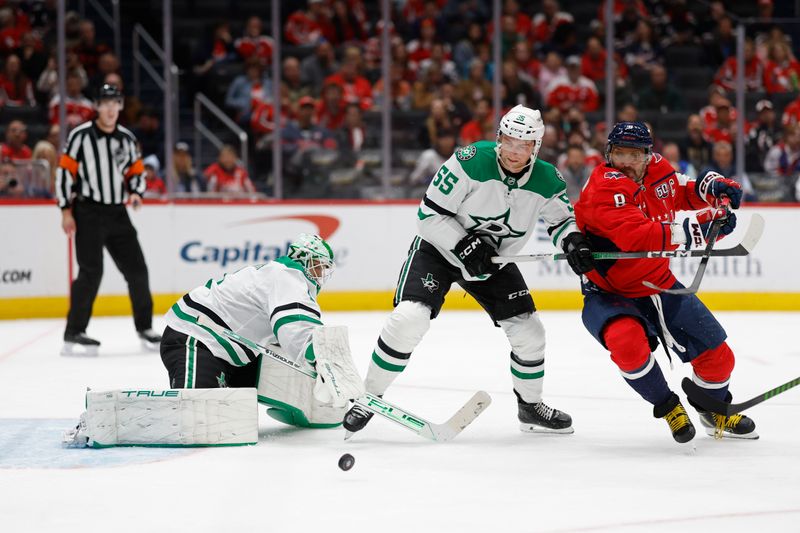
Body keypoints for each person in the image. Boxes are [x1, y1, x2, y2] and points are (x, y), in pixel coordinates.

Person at [343, 105, 596, 437]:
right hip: (440, 250)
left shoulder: (547, 179)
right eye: (508, 141)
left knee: (530, 333)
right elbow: (428, 215)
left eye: (524, 145)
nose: (514, 151)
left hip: (493, 262)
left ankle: (530, 406)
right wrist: (463, 244)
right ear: (499, 138)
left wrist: (573, 241)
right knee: (409, 319)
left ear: (536, 147)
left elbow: (561, 220)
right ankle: (368, 397)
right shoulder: (470, 161)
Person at [573, 121, 757, 443]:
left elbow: (679, 192)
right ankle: (668, 405)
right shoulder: (603, 186)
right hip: (610, 291)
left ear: (648, 155)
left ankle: (711, 408)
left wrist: (709, 190)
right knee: (627, 344)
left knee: (720, 358)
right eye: (619, 153)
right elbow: (638, 237)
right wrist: (700, 228)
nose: (626, 162)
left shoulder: (658, 168)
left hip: (658, 282)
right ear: (608, 154)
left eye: (634, 155)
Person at [160, 233, 362, 427]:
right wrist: (323, 361)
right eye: (320, 267)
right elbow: (296, 328)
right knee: (195, 418)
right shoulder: (288, 277)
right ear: (307, 259)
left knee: (294, 368)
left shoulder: (278, 274)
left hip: (232, 349)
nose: (321, 274)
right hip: (197, 338)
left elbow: (285, 334)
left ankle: (310, 407)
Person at [55, 84, 161, 355]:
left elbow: (136, 171)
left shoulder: (126, 138)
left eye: (116, 103)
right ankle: (74, 331)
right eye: (106, 103)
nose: (111, 108)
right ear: (97, 107)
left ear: (121, 106)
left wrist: (136, 193)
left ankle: (145, 327)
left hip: (117, 212)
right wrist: (66, 210)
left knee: (137, 269)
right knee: (91, 272)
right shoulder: (80, 136)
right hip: (88, 211)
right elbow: (65, 173)